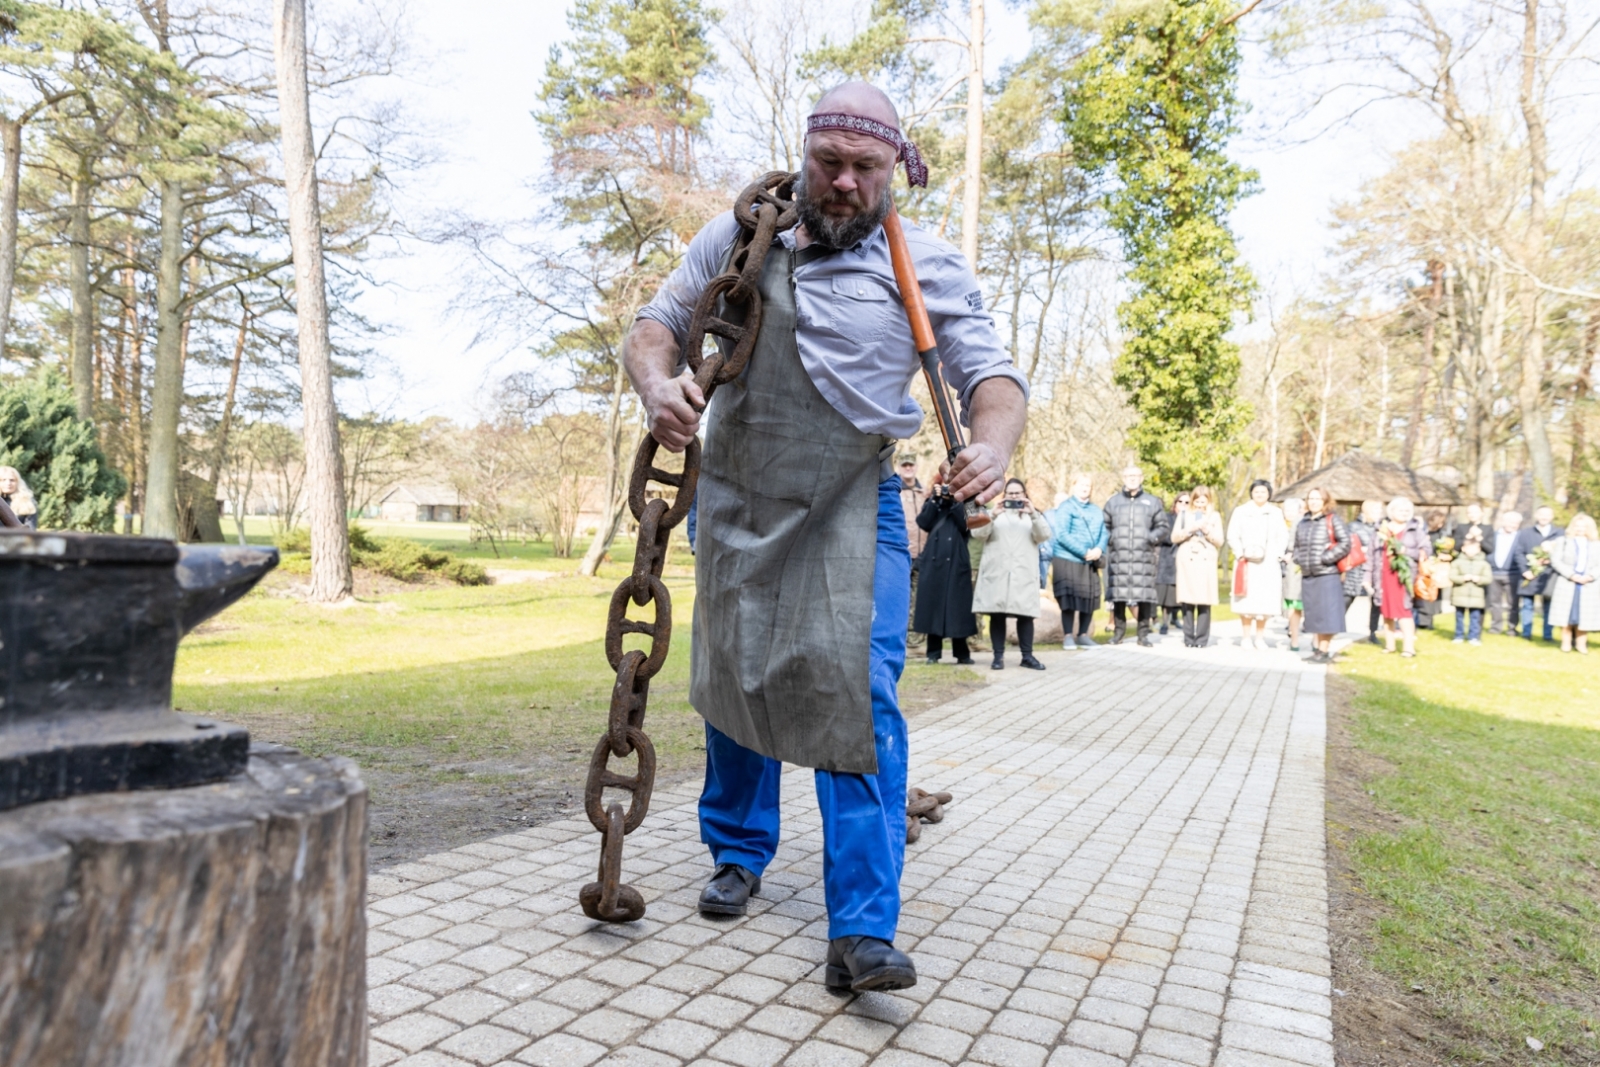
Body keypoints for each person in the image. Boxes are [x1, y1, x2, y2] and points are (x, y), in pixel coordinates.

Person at [626, 81, 1028, 991]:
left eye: (865, 168)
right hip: (736, 497)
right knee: (734, 673)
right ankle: (737, 850)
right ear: (805, 155)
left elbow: (991, 377)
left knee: (861, 698)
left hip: (856, 503)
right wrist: (659, 387)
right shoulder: (734, 242)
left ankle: (862, 926)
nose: (844, 182)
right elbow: (654, 326)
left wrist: (993, 445)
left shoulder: (925, 265)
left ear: (896, 171)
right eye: (829, 163)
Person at [972, 478, 1051, 670]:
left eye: (1018, 493)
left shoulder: (1033, 516)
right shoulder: (994, 514)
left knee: (1026, 616)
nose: (1014, 497)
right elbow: (978, 534)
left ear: (1025, 495)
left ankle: (1027, 656)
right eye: (1010, 493)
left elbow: (1044, 536)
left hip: (1023, 574)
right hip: (997, 573)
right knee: (997, 615)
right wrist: (993, 514)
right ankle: (998, 657)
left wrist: (1033, 514)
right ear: (1004, 495)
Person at [1102, 464, 1170, 646]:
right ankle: (1118, 634)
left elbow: (1163, 526)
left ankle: (1143, 635)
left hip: (1144, 557)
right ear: (1124, 478)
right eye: (1129, 475)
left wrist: (1151, 538)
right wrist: (1113, 539)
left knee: (1144, 597)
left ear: (1141, 478)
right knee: (1119, 597)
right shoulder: (1113, 502)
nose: (1132, 478)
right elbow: (1104, 526)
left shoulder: (1152, 502)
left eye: (1136, 475)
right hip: (1119, 557)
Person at [1045, 472, 1108, 650]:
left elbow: (1104, 532)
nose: (1085, 488)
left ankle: (1083, 635)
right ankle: (1068, 636)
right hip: (1068, 560)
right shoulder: (1066, 507)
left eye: (1088, 485)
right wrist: (1084, 551)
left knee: (1090, 597)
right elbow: (1063, 534)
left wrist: (1098, 550)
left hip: (1091, 561)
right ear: (1073, 486)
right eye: (1081, 485)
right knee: (1069, 599)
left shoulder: (1096, 510)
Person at [915, 491, 978, 664]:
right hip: (934, 562)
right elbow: (923, 522)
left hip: (958, 561)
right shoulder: (934, 499)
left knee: (958, 609)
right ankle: (933, 653)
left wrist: (957, 502)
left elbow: (970, 527)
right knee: (933, 607)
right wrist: (937, 500)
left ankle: (962, 653)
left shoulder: (971, 501)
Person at [1293, 487, 1351, 664]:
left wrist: (1325, 558)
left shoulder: (1332, 520)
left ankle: (1323, 651)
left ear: (1325, 501)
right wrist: (1299, 559)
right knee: (1315, 616)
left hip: (1327, 575)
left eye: (1318, 499)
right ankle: (1319, 650)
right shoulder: (1302, 522)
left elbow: (1345, 543)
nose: (1314, 502)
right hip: (1309, 575)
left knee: (1328, 616)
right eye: (1311, 498)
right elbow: (1296, 546)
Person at [1227, 480, 1287, 650]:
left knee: (1264, 600)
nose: (1260, 494)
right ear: (1251, 493)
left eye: (1263, 492)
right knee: (1246, 600)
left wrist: (1277, 554)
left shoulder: (1275, 513)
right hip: (1246, 562)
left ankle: (1260, 637)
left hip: (1268, 563)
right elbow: (1232, 535)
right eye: (1256, 491)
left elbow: (1283, 536)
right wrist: (1240, 553)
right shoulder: (1241, 511)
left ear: (1269, 494)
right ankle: (1246, 637)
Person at [1376, 496, 1431, 657]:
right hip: (1384, 575)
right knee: (1386, 611)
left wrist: (1406, 552)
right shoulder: (1382, 529)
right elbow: (1374, 555)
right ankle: (1390, 645)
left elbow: (1426, 551)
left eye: (1407, 510)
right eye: (1401, 510)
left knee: (1404, 611)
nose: (1404, 513)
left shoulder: (1415, 530)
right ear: (1392, 511)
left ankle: (1408, 647)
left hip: (1404, 576)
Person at [1171, 485, 1223, 648]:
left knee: (1204, 600)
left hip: (1206, 559)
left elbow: (1219, 541)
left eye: (1203, 501)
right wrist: (1189, 530)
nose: (1200, 505)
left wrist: (1207, 530)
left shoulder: (1214, 516)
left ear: (1208, 501)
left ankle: (1201, 638)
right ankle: (1188, 637)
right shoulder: (1185, 515)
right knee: (1187, 599)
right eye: (1197, 501)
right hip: (1188, 559)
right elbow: (1174, 537)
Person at [1548, 513, 1599, 654]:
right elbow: (1556, 561)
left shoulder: (1596, 544)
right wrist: (1571, 575)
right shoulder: (1563, 541)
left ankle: (1581, 645)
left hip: (1589, 585)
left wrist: (1590, 576)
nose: (1580, 529)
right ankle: (1566, 644)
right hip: (1567, 582)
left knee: (1585, 616)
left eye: (1583, 526)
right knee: (1566, 615)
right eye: (1577, 526)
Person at [1513, 506, 1563, 642]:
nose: (1544, 517)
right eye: (1541, 514)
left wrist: (1550, 560)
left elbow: (1564, 554)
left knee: (1548, 607)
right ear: (1536, 515)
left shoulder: (1559, 534)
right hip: (1529, 575)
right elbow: (1518, 552)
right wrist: (1526, 571)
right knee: (1527, 606)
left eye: (1547, 514)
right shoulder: (1525, 533)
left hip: (1549, 576)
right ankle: (1526, 634)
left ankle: (1547, 635)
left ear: (1552, 516)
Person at [1343, 499, 1384, 643]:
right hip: (1357, 568)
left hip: (1375, 568)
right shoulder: (1353, 526)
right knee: (1347, 598)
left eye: (1380, 510)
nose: (1379, 513)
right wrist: (1361, 551)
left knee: (1376, 602)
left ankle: (1373, 633)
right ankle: (1333, 628)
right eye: (1376, 510)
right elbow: (1346, 544)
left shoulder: (1383, 527)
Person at [1155, 492, 1189, 635]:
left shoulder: (1193, 519)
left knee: (1181, 592)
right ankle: (1165, 622)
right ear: (1175, 504)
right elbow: (1166, 537)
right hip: (1168, 560)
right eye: (1180, 502)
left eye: (1187, 502)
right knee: (1167, 594)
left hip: (1187, 561)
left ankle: (1177, 619)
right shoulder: (1167, 518)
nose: (1183, 505)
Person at [1448, 532, 1490, 645]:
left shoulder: (1484, 564)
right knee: (1459, 618)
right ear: (1463, 549)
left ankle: (1474, 637)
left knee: (1475, 618)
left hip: (1476, 597)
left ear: (1479, 550)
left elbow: (1488, 578)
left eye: (1474, 549)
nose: (1471, 551)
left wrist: (1479, 579)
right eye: (1469, 548)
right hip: (1459, 595)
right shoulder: (1457, 562)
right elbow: (1452, 576)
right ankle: (1459, 636)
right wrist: (1463, 578)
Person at [1487, 510, 1522, 635]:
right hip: (1494, 573)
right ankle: (1496, 627)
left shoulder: (1521, 537)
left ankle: (1512, 628)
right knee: (1494, 603)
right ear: (1503, 522)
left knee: (1513, 604)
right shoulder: (1493, 535)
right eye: (1509, 522)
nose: (1512, 525)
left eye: (1515, 523)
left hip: (1513, 574)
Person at [1280, 496, 1305, 652]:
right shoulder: (1279, 524)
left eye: (1292, 510)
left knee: (1295, 598)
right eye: (1286, 510)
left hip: (1295, 565)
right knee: (1288, 597)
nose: (1289, 513)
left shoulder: (1302, 523)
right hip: (1282, 564)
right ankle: (1291, 625)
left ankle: (1293, 627)